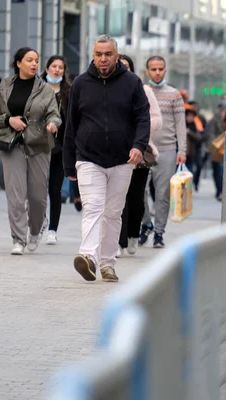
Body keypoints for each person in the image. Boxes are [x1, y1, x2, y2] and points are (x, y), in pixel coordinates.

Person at [63, 35, 150, 282]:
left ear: (117, 55)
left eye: (108, 54)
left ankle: (107, 264)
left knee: (113, 213)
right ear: (93, 55)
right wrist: (69, 162)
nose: (103, 59)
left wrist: (139, 146)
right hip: (88, 158)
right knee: (93, 208)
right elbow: (71, 124)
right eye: (99, 54)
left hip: (123, 159)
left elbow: (143, 118)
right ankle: (87, 256)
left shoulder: (132, 82)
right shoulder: (80, 83)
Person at [0, 47, 61, 255]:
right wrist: (8, 120)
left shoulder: (45, 89)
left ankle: (35, 230)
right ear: (18, 63)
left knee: (38, 196)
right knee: (15, 194)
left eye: (36, 60)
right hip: (12, 145)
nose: (34, 64)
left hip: (38, 145)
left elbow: (54, 114)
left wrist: (53, 124)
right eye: (29, 60)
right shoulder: (5, 86)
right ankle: (18, 238)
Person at [139, 55, 187, 248]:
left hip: (167, 149)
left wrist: (181, 149)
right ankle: (145, 224)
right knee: (139, 192)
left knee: (162, 194)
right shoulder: (141, 91)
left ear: (165, 70)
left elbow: (180, 125)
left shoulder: (174, 94)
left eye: (160, 69)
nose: (157, 72)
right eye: (153, 69)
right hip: (145, 148)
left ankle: (159, 232)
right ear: (147, 71)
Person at [116, 54, 162, 257]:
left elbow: (156, 119)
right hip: (116, 151)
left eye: (126, 66)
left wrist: (139, 131)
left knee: (135, 197)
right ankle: (119, 240)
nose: (123, 69)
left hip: (140, 151)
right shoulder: (108, 89)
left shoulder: (143, 90)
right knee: (118, 198)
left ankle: (134, 234)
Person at [41, 55, 72, 245]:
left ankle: (52, 229)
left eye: (61, 67)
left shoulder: (69, 91)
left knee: (55, 189)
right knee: (37, 189)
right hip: (38, 146)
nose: (57, 70)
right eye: (54, 66)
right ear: (47, 69)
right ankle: (40, 221)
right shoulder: (38, 89)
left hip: (60, 147)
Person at [206, 94, 226, 201]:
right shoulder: (216, 116)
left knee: (225, 170)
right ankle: (219, 191)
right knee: (218, 170)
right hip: (218, 148)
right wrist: (216, 143)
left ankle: (224, 191)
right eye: (224, 99)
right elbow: (211, 132)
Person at [185, 108, 205, 189]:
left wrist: (190, 132)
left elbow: (199, 137)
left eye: (191, 116)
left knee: (190, 171)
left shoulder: (194, 126)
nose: (190, 118)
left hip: (191, 153)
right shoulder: (181, 125)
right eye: (188, 116)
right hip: (181, 153)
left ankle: (189, 187)